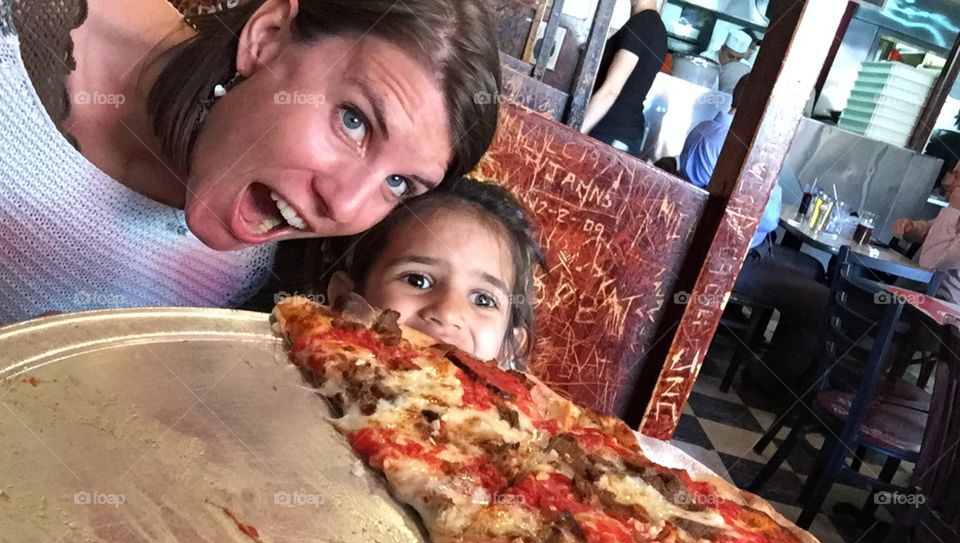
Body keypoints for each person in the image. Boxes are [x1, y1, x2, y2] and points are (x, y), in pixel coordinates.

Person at [0, 0, 501, 324]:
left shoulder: (309, 266)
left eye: (398, 182)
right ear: (267, 36)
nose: (343, 206)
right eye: (354, 121)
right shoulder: (21, 33)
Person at [677, 73, 830, 393]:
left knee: (814, 268)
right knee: (824, 303)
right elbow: (768, 218)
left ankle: (772, 354)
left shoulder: (710, 131)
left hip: (730, 246)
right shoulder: (732, 143)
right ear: (761, 107)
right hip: (728, 257)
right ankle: (764, 380)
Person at [326, 178, 546, 369]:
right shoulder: (307, 359)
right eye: (417, 280)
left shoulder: (521, 416)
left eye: (483, 300)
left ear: (509, 349)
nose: (448, 312)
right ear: (344, 300)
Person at [582, 0, 667, 158]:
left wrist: (572, 136)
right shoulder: (656, 27)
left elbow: (611, 91)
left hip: (608, 134)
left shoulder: (643, 23)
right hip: (620, 135)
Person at [893, 159, 960, 305]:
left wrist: (954, 207)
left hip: (942, 314)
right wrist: (913, 228)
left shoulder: (955, 211)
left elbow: (930, 261)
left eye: (957, 177)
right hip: (916, 297)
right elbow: (933, 229)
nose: (947, 183)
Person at [703, 29, 752, 94]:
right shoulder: (705, 58)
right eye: (731, 56)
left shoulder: (744, 68)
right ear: (722, 49)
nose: (734, 61)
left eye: (738, 59)